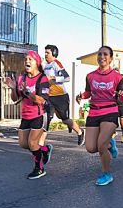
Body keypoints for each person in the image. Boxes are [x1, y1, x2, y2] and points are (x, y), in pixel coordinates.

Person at [76, 46, 123, 186]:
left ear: (110, 58)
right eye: (99, 54)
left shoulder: (117, 77)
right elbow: (88, 92)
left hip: (110, 111)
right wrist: (81, 96)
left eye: (105, 54)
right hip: (94, 112)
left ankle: (106, 173)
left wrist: (122, 95)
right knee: (91, 148)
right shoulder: (90, 76)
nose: (102, 57)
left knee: (100, 145)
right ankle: (111, 143)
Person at [5, 50, 52, 179]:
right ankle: (45, 150)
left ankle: (39, 168)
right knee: (23, 144)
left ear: (37, 62)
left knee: (32, 143)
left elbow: (41, 100)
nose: (27, 61)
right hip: (25, 115)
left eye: (30, 59)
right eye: (26, 59)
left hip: (39, 114)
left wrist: (27, 93)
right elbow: (15, 98)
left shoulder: (42, 79)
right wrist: (13, 88)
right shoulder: (22, 78)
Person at [40, 45, 84, 146]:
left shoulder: (56, 64)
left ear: (54, 54)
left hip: (60, 96)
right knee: (47, 118)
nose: (45, 54)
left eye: (48, 53)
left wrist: (54, 78)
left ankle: (80, 132)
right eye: (45, 52)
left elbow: (67, 78)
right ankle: (40, 145)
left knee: (64, 119)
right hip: (49, 97)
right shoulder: (45, 66)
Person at [113, 67, 123, 143]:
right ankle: (114, 132)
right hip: (113, 103)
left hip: (121, 103)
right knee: (112, 120)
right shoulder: (110, 83)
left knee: (122, 119)